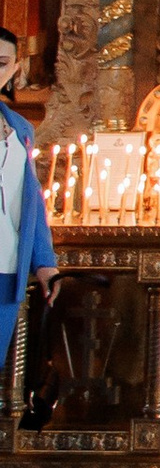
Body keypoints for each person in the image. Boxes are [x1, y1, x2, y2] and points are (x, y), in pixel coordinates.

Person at [0, 30, 60, 383]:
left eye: (2, 63)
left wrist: (45, 262)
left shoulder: (20, 127)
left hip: (7, 267)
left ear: (15, 69)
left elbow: (31, 198)